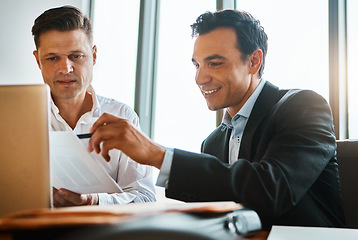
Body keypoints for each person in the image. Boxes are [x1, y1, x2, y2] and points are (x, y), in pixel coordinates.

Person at [87, 9, 345, 229]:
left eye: (215, 63)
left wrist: (157, 154)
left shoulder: (303, 106)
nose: (200, 78)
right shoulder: (213, 142)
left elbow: (271, 190)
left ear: (254, 61)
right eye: (197, 65)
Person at [32, 6, 156, 207]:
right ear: (38, 60)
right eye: (53, 58)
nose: (66, 68)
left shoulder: (122, 116)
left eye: (76, 56)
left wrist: (95, 200)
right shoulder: (17, 121)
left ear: (94, 55)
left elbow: (144, 196)